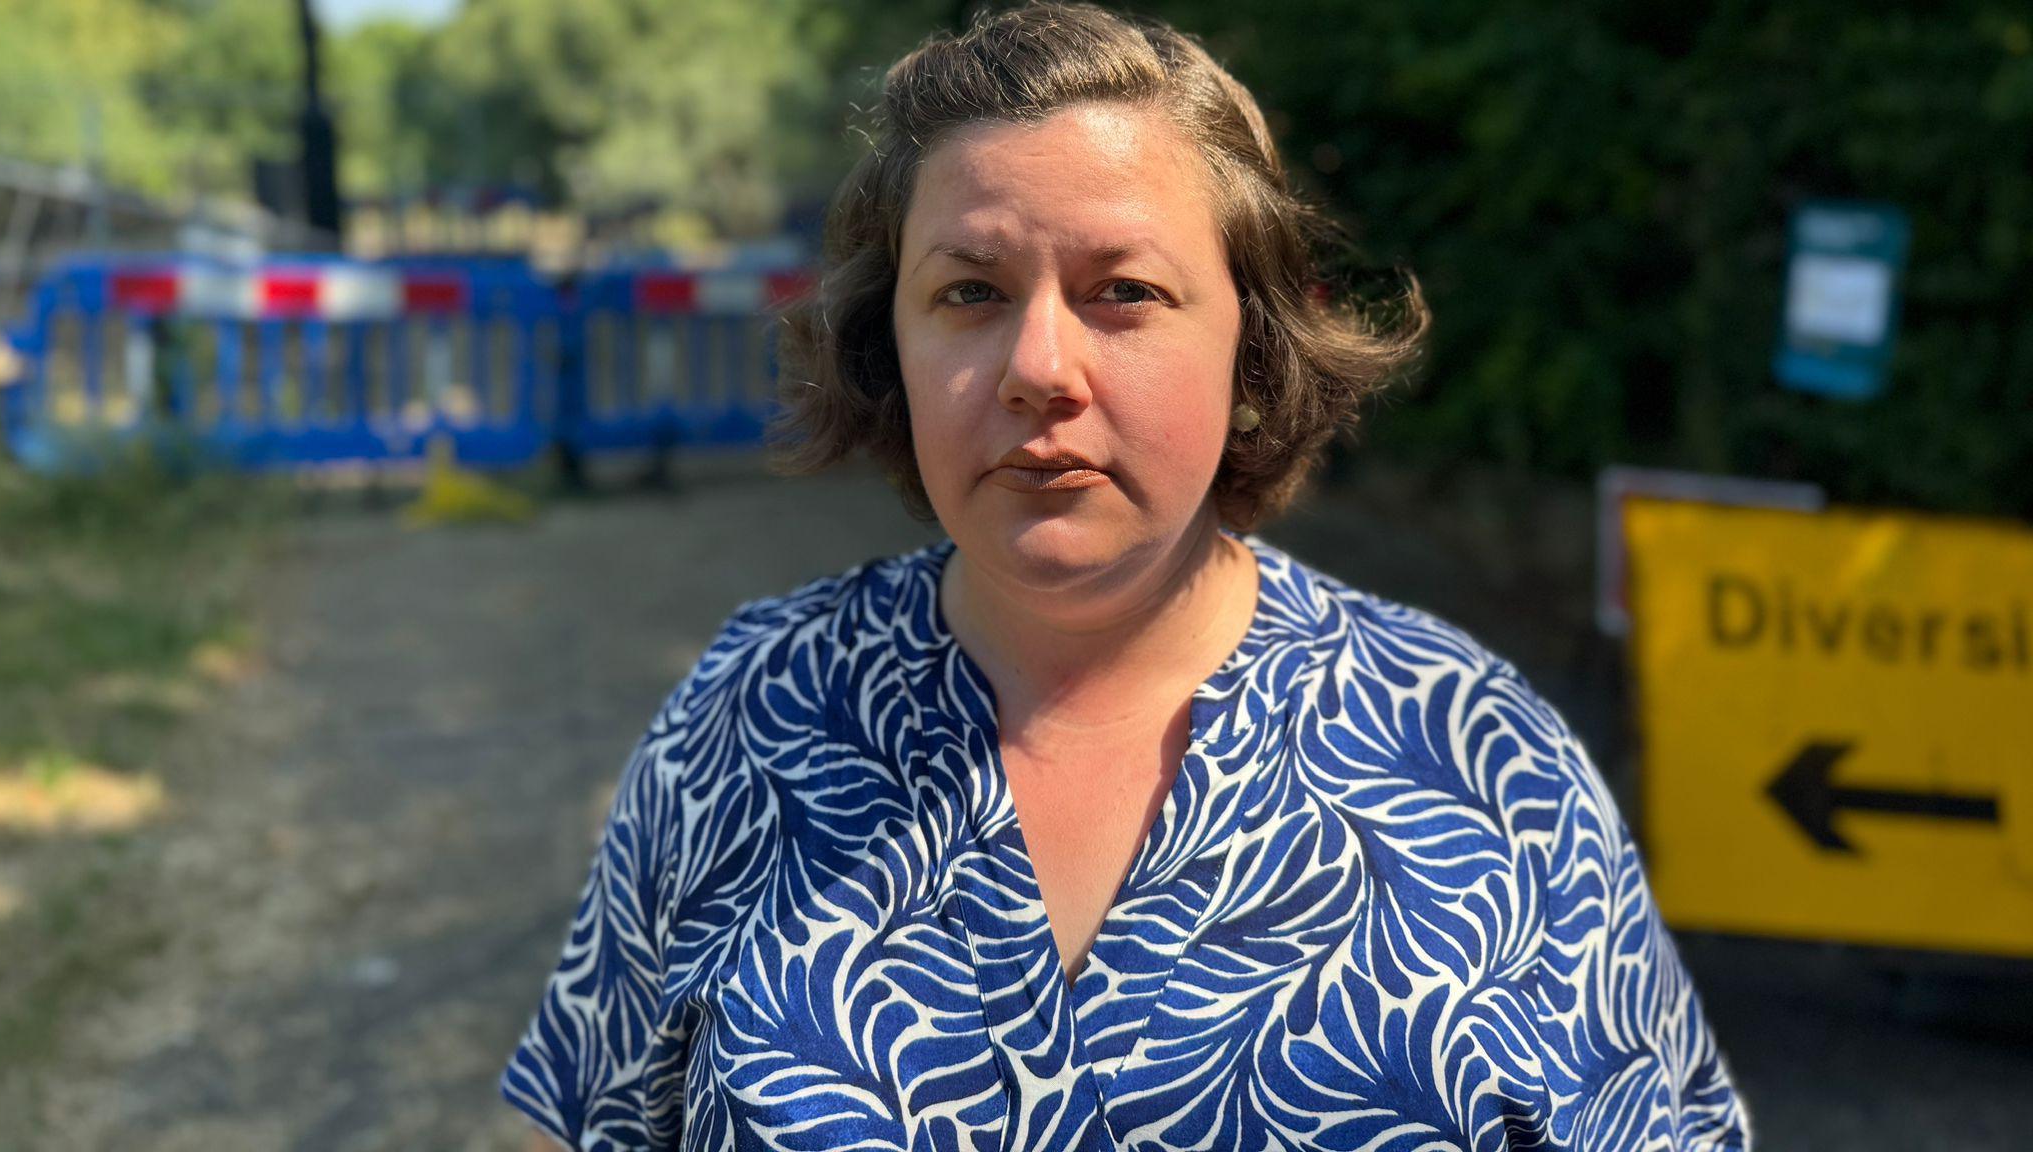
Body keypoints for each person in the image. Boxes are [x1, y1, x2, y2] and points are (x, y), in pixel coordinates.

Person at [501, 4, 1752, 1149]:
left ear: (1252, 348)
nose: (1038, 364)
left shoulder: (1484, 761)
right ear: (890, 340)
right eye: (970, 291)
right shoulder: (746, 715)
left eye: (1125, 293)